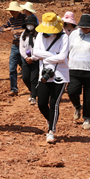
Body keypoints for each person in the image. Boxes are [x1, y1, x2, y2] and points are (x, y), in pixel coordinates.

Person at [33, 13, 70, 144]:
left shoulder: (64, 37)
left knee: (54, 103)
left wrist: (45, 57)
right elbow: (35, 53)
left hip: (60, 74)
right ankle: (50, 120)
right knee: (41, 103)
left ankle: (51, 131)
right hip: (44, 74)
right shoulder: (39, 35)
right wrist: (54, 54)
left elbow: (63, 57)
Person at [0, 1, 27, 96]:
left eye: (14, 11)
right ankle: (14, 89)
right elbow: (1, 28)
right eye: (11, 11)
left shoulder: (25, 18)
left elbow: (32, 28)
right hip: (15, 46)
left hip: (25, 46)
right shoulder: (11, 20)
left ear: (18, 11)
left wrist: (19, 31)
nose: (12, 13)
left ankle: (32, 88)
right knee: (12, 68)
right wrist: (8, 29)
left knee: (26, 67)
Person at [19, 15, 41, 105]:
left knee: (34, 78)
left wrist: (33, 58)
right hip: (26, 60)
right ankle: (32, 91)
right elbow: (21, 47)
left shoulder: (39, 35)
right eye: (28, 24)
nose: (29, 26)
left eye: (31, 24)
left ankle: (33, 96)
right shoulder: (23, 35)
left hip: (35, 59)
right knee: (25, 77)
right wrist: (26, 57)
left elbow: (40, 48)